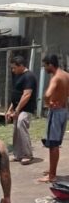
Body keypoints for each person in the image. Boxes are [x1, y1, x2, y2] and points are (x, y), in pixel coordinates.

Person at [38, 54, 69, 183]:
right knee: (55, 142)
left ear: (50, 64)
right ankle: (52, 170)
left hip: (56, 112)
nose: (44, 68)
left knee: (53, 144)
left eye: (45, 65)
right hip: (64, 110)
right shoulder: (66, 75)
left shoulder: (55, 78)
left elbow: (47, 94)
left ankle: (52, 175)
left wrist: (47, 102)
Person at [5, 56, 38, 164]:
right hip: (17, 108)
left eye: (14, 68)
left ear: (21, 66)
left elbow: (26, 95)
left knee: (21, 125)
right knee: (16, 130)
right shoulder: (17, 75)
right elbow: (16, 94)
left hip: (26, 108)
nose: (12, 70)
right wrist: (10, 109)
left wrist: (17, 110)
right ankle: (18, 154)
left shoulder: (29, 76)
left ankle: (27, 154)